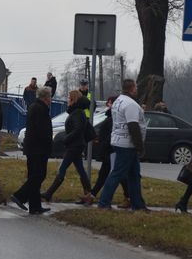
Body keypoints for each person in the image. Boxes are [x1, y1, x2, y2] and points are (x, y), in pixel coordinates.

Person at [97, 79, 147, 211]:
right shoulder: (130, 104)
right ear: (132, 89)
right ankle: (104, 202)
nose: (137, 89)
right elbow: (133, 126)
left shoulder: (119, 101)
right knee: (117, 173)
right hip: (127, 144)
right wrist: (139, 146)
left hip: (119, 141)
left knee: (134, 175)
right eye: (135, 87)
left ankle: (138, 204)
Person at [40, 90, 92, 203]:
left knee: (62, 169)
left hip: (74, 146)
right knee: (81, 170)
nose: (68, 100)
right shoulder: (77, 112)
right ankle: (88, 195)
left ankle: (49, 193)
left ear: (73, 100)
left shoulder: (77, 113)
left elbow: (78, 129)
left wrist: (66, 138)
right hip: (76, 145)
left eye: (69, 98)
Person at [10, 86, 52, 214]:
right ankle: (20, 195)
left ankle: (35, 206)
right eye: (50, 97)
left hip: (32, 147)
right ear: (46, 98)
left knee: (34, 175)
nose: (51, 99)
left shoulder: (34, 107)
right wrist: (49, 143)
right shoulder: (40, 109)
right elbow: (42, 130)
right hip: (38, 148)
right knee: (38, 175)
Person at [87, 95, 130, 207]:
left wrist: (104, 144)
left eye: (110, 102)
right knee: (107, 174)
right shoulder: (110, 116)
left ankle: (125, 197)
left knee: (116, 175)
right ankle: (92, 195)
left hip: (111, 151)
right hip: (109, 151)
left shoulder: (114, 117)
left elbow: (110, 135)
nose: (107, 104)